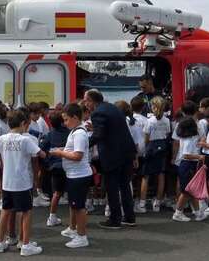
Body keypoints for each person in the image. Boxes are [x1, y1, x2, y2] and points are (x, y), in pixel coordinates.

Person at [0, 109, 47, 257]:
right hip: (22, 182)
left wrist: (3, 158)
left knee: (6, 211)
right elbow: (40, 154)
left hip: (7, 182)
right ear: (23, 123)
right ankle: (25, 244)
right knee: (26, 212)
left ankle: (0, 242)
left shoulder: (3, 138)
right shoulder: (25, 140)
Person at [84, 89, 137, 229]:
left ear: (91, 101)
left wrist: (83, 145)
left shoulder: (97, 112)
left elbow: (99, 135)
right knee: (125, 186)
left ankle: (115, 219)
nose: (85, 104)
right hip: (127, 152)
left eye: (86, 101)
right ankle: (130, 217)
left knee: (112, 187)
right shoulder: (112, 107)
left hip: (112, 155)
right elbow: (110, 129)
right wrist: (95, 129)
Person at [49, 102, 94, 248]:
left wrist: (60, 152)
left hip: (79, 175)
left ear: (75, 117)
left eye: (67, 119)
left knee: (79, 207)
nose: (65, 122)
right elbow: (73, 150)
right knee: (74, 205)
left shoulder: (80, 133)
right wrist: (62, 149)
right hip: (74, 174)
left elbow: (77, 155)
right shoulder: (75, 131)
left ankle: (82, 236)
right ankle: (73, 229)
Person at [137, 96, 170, 213]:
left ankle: (142, 204)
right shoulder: (166, 120)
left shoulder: (149, 121)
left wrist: (144, 149)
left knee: (146, 176)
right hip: (162, 147)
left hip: (151, 147)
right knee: (161, 175)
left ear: (153, 107)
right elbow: (167, 134)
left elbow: (146, 138)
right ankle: (157, 203)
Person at [172, 118, 207, 222]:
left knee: (191, 190)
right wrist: (200, 157)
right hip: (188, 165)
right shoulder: (189, 140)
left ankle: (198, 213)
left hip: (186, 165)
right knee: (186, 191)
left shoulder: (185, 138)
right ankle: (178, 213)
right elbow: (186, 155)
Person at [39, 109, 69, 227]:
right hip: (69, 166)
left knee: (56, 193)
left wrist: (47, 160)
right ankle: (74, 222)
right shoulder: (70, 133)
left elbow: (41, 148)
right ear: (62, 122)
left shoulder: (50, 134)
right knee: (72, 192)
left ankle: (52, 217)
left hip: (55, 167)